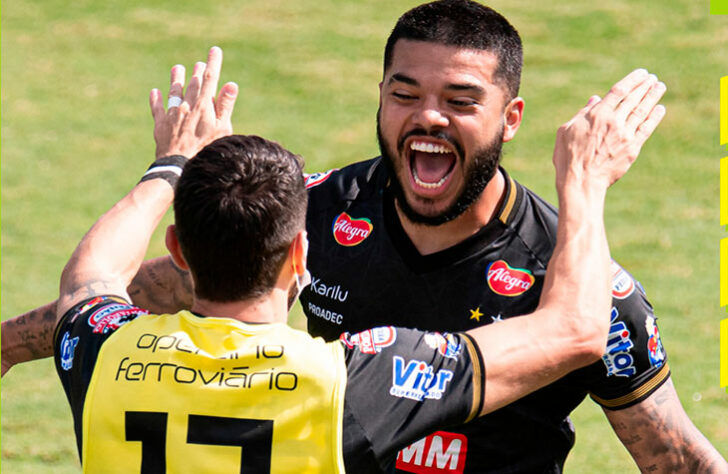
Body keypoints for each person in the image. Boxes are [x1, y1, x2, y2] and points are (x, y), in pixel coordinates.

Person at [3, 1, 726, 472]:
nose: (429, 118)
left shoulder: (589, 282)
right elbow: (571, 330)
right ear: (299, 256)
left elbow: (680, 462)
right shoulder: (318, 231)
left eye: (460, 100)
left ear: (512, 119)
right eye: (405, 93)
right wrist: (589, 183)